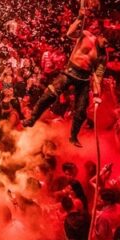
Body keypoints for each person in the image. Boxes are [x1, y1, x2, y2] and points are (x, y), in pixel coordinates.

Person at [25, 16, 106, 146]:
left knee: (80, 110)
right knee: (50, 94)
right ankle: (33, 118)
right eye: (94, 26)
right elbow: (69, 33)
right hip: (70, 71)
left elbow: (99, 76)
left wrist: (97, 95)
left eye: (97, 27)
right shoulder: (85, 35)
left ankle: (73, 136)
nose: (94, 28)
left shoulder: (103, 54)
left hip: (84, 79)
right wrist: (79, 19)